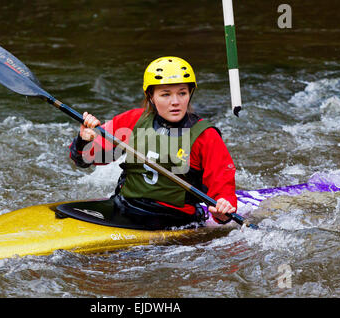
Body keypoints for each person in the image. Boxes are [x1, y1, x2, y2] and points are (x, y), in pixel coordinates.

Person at [69, 56, 237, 230]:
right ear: (151, 96)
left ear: (189, 94)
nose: (175, 102)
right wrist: (83, 141)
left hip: (175, 220)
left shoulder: (205, 136)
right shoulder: (133, 120)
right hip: (125, 207)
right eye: (165, 94)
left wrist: (223, 208)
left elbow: (223, 188)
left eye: (182, 93)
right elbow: (84, 160)